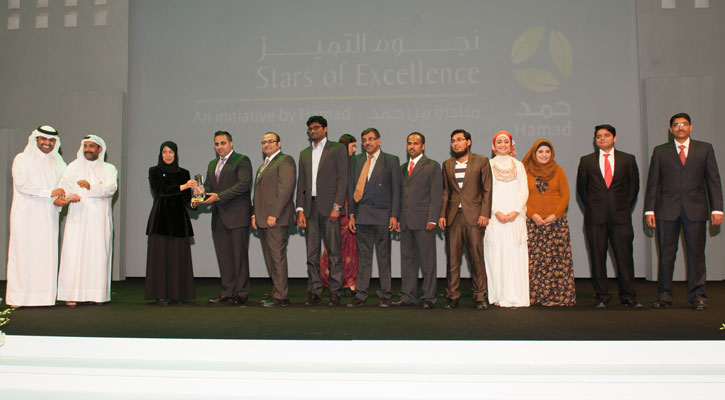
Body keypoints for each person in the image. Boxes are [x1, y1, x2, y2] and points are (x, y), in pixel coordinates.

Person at [644, 112, 723, 311]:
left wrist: (717, 209)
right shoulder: (660, 151)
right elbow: (653, 183)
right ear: (671, 129)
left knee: (696, 255)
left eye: (684, 124)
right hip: (666, 210)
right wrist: (649, 210)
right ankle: (664, 295)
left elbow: (713, 180)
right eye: (676, 124)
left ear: (690, 127)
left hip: (695, 209)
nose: (680, 127)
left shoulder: (705, 149)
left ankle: (698, 296)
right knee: (666, 255)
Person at [576, 124, 641, 308]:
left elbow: (633, 187)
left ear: (614, 138)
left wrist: (623, 208)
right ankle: (602, 296)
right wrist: (594, 207)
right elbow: (582, 189)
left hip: (621, 217)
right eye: (599, 136)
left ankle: (628, 296)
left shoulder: (628, 159)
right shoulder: (586, 161)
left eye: (606, 135)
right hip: (595, 218)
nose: (602, 139)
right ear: (595, 140)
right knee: (597, 258)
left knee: (624, 258)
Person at [5, 126, 67, 308]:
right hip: (26, 216)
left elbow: (64, 185)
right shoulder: (22, 159)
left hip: (48, 217)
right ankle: (18, 298)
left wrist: (62, 198)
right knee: (23, 255)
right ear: (36, 139)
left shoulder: (58, 162)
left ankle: (45, 298)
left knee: (45, 256)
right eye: (43, 139)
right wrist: (50, 192)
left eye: (51, 140)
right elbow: (22, 185)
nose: (47, 143)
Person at [57, 135, 118, 306]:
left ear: (100, 149)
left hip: (99, 219)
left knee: (98, 254)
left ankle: (97, 295)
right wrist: (69, 197)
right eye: (86, 146)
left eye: (92, 146)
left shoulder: (109, 169)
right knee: (73, 253)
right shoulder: (73, 167)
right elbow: (64, 187)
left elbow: (111, 189)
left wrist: (91, 187)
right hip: (77, 218)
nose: (88, 149)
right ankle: (71, 295)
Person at [296, 116, 349, 306]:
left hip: (330, 208)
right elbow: (301, 183)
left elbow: (343, 179)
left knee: (334, 252)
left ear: (325, 129)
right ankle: (314, 291)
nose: (313, 131)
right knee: (312, 254)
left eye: (316, 127)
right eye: (310, 129)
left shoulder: (337, 149)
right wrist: (300, 209)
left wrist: (337, 206)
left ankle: (335, 292)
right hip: (310, 208)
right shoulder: (304, 153)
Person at [438, 129, 492, 310]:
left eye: (460, 140)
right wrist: (442, 214)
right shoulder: (447, 164)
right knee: (452, 259)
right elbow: (446, 192)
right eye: (453, 141)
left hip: (475, 217)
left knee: (476, 258)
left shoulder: (481, 161)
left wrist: (485, 213)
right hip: (453, 217)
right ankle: (452, 296)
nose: (456, 143)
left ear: (468, 142)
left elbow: (487, 189)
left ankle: (480, 296)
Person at [347, 127, 401, 308]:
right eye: (364, 140)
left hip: (383, 215)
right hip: (362, 215)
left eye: (371, 139)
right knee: (363, 258)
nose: (367, 143)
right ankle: (360, 294)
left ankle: (385, 294)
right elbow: (351, 188)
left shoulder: (391, 160)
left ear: (379, 140)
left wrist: (394, 215)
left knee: (383, 258)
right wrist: (352, 214)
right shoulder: (356, 160)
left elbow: (396, 190)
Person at [200, 130, 253, 305]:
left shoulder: (242, 160)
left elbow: (243, 185)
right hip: (218, 218)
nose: (219, 147)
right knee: (224, 257)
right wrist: (200, 192)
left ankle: (241, 292)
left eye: (223, 143)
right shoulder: (212, 164)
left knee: (239, 257)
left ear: (231, 143)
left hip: (237, 216)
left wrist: (219, 196)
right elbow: (209, 186)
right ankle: (227, 291)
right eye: (216, 144)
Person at [523, 139, 576, 307]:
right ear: (534, 153)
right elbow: (521, 196)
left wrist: (555, 215)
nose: (544, 155)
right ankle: (535, 296)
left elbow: (565, 195)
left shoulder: (558, 170)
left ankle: (558, 297)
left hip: (556, 223)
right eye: (540, 151)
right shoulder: (526, 171)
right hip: (533, 223)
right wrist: (533, 214)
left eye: (547, 151)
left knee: (557, 260)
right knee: (535, 261)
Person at [393, 132, 442, 309]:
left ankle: (428, 297)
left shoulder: (432, 166)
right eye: (409, 143)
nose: (412, 146)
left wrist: (433, 219)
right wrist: (398, 217)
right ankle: (408, 296)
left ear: (423, 146)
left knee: (427, 262)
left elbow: (436, 194)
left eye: (415, 143)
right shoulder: (402, 168)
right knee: (407, 261)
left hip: (424, 221)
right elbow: (400, 195)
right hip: (406, 221)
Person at [144, 141, 196, 306]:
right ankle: (160, 295)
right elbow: (160, 191)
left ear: (176, 154)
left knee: (177, 257)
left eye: (171, 152)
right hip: (161, 219)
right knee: (160, 258)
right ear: (161, 154)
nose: (168, 155)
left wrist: (194, 202)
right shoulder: (154, 171)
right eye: (165, 152)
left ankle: (177, 294)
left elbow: (186, 200)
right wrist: (183, 186)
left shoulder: (184, 173)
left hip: (179, 220)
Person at [484, 131, 529, 308]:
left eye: (506, 142)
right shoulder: (488, 165)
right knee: (496, 256)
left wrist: (516, 211)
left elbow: (524, 190)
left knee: (515, 255)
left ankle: (516, 296)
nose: (503, 145)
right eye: (499, 142)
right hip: (495, 218)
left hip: (514, 218)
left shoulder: (519, 165)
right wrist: (496, 211)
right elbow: (486, 191)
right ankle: (498, 295)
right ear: (493, 146)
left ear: (511, 145)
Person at [251, 132, 296, 307]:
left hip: (276, 219)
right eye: (263, 142)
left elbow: (285, 190)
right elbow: (258, 194)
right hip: (263, 218)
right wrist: (254, 214)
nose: (266, 144)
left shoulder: (285, 160)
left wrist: (274, 214)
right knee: (270, 258)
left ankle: (281, 297)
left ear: (279, 143)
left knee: (277, 257)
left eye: (270, 141)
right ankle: (276, 292)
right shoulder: (263, 165)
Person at [320, 134, 358, 291]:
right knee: (334, 245)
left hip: (351, 208)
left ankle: (350, 280)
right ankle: (331, 279)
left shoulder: (355, 163)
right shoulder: (334, 163)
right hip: (337, 208)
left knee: (351, 245)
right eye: (352, 146)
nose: (355, 149)